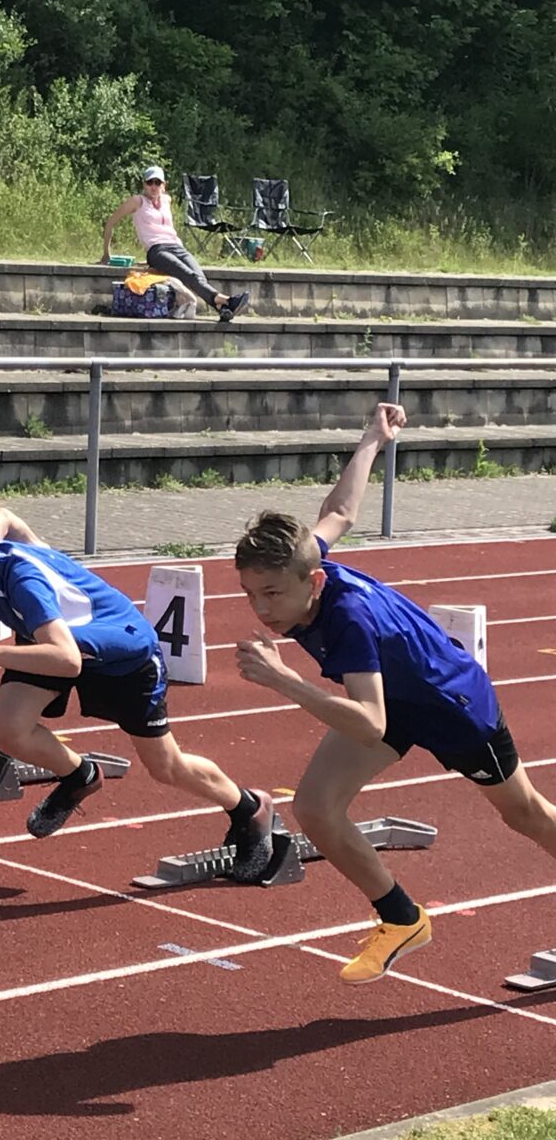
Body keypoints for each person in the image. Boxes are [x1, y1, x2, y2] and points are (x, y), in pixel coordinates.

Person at [233, 402, 556, 984]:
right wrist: (371, 440)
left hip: (452, 708)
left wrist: (285, 680)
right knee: (316, 807)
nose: (262, 609)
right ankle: (401, 918)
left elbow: (369, 724)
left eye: (273, 594)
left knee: (526, 816)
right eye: (251, 593)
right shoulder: (312, 559)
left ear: (314, 582)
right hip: (391, 698)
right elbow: (339, 511)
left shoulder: (349, 621)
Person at [0, 494, 275, 879]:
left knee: (166, 767)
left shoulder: (24, 583)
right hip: (61, 640)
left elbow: (67, 660)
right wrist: (19, 538)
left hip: (122, 655)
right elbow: (4, 516)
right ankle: (79, 776)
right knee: (7, 730)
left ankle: (249, 808)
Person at [100, 166, 250, 322]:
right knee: (189, 275)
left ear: (164, 185)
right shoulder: (137, 201)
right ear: (144, 185)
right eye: (150, 182)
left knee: (199, 276)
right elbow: (111, 222)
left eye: (157, 182)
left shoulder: (167, 200)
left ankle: (221, 308)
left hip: (176, 247)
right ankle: (227, 300)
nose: (153, 186)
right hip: (157, 250)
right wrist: (106, 253)